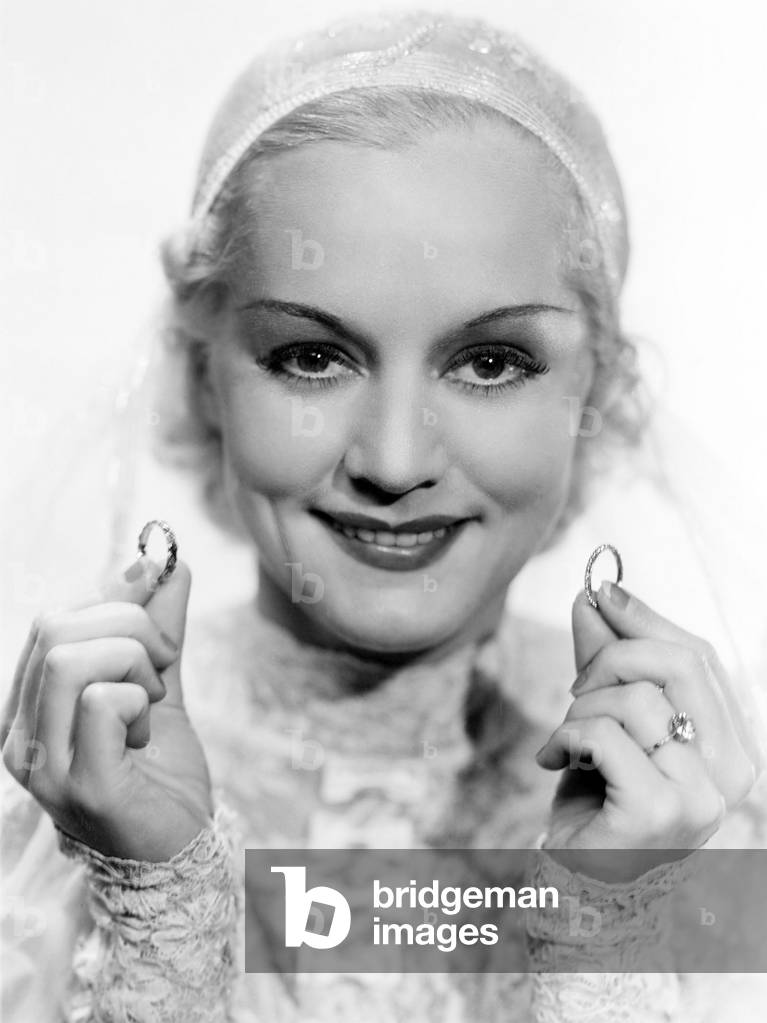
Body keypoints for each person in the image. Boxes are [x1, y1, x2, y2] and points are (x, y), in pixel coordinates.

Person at [2, 7, 766, 1022]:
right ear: (203, 374)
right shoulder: (49, 809)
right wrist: (155, 907)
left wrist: (605, 932)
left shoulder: (708, 812)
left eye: (489, 362)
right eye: (309, 357)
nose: (395, 462)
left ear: (595, 394)